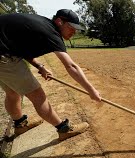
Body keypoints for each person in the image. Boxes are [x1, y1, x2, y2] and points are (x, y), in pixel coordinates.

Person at [0, 9, 101, 141]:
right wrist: (91, 90)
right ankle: (63, 129)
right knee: (38, 96)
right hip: (4, 57)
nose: (74, 32)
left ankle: (20, 125)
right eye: (71, 27)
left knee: (12, 92)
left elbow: (21, 48)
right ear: (59, 21)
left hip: (4, 51)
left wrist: (39, 66)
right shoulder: (51, 33)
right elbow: (71, 66)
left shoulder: (42, 25)